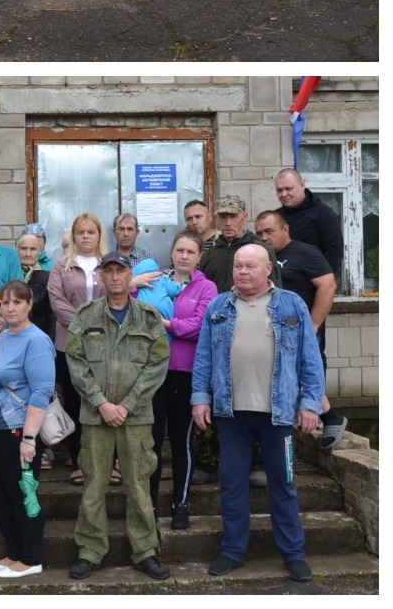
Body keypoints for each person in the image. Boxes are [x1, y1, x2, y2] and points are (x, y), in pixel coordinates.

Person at [191, 245, 325, 582]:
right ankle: (233, 551)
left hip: (277, 415)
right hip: (231, 412)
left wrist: (310, 404)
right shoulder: (219, 306)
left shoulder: (292, 304)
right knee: (232, 483)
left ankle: (293, 554)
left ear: (268, 268)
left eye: (250, 266)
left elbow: (310, 358)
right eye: (238, 266)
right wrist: (199, 398)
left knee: (285, 484)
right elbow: (204, 357)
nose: (242, 272)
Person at [64, 252, 173, 581]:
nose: (114, 277)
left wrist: (127, 405)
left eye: (120, 271)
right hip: (95, 418)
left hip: (136, 418)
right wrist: (102, 403)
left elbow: (158, 365)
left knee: (139, 485)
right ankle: (90, 549)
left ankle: (145, 550)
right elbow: (75, 362)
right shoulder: (85, 316)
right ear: (100, 276)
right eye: (108, 271)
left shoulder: (149, 318)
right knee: (94, 485)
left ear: (130, 277)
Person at [0, 280, 55, 578]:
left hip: (18, 429)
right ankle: (14, 552)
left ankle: (31, 557)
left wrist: (29, 438)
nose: (9, 308)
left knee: (23, 494)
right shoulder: (6, 336)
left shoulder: (36, 341)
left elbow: (42, 391)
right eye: (5, 303)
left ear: (29, 305)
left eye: (16, 302)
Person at [255, 210, 342, 445]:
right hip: (272, 329)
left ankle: (330, 418)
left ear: (285, 230)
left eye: (269, 231)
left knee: (302, 374)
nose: (263, 237)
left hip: (300, 328)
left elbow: (328, 285)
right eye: (259, 233)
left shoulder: (305, 253)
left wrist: (314, 324)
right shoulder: (262, 257)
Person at [153, 230, 217, 529]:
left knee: (181, 441)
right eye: (179, 250)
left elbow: (200, 325)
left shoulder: (207, 288)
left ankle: (180, 504)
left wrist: (166, 324)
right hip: (152, 372)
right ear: (172, 253)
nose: (184, 256)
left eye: (190, 252)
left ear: (198, 257)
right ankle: (149, 505)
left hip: (185, 373)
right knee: (150, 443)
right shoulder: (155, 281)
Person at [49, 212, 108, 486]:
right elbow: (57, 301)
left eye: (91, 232)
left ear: (99, 235)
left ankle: (111, 461)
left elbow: (116, 297)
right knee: (74, 402)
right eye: (80, 232)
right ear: (73, 236)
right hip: (69, 343)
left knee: (104, 399)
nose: (85, 236)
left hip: (105, 343)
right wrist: (83, 326)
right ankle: (79, 461)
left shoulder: (109, 264)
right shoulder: (61, 266)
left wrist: (96, 328)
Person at [275, 167, 346, 280]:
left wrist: (324, 283)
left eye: (288, 188)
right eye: (279, 190)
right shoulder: (276, 217)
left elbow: (334, 251)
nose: (284, 194)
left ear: (302, 185)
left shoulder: (323, 213)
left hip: (312, 285)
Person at [200, 195, 267, 294]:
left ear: (244, 218)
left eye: (233, 217)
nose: (228, 223)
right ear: (217, 219)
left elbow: (274, 289)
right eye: (223, 217)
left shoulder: (260, 251)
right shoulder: (210, 254)